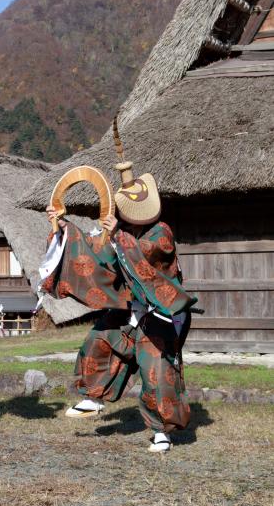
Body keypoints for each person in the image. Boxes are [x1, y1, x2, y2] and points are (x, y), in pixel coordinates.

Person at [40, 133, 196, 452]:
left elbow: (146, 259)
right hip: (129, 311)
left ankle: (161, 432)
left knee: (158, 373)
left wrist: (116, 239)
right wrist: (63, 226)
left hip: (161, 314)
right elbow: (100, 261)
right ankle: (92, 398)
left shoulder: (160, 232)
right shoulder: (120, 233)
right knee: (99, 341)